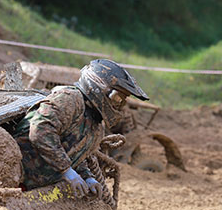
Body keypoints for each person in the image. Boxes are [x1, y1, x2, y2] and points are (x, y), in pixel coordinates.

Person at [13, 59, 149, 197]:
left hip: (34, 187)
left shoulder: (96, 126)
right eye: (118, 98)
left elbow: (76, 153)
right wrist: (66, 170)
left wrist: (87, 176)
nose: (120, 104)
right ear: (99, 86)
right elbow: (40, 131)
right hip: (14, 174)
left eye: (123, 100)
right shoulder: (71, 99)